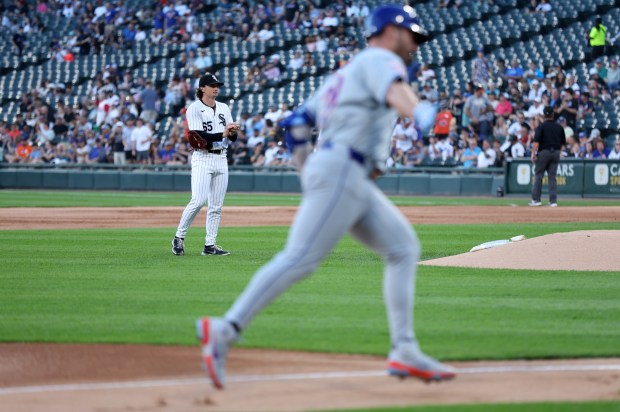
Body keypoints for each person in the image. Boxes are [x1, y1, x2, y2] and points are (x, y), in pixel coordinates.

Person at [195, 4, 456, 390]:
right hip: (342, 171)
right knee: (300, 259)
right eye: (411, 35)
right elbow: (396, 92)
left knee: (403, 248)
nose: (416, 43)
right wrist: (422, 114)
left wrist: (309, 172)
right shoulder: (380, 59)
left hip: (342, 172)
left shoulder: (347, 72)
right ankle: (226, 329)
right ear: (389, 32)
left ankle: (404, 348)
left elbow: (296, 124)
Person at [172, 73, 240, 257]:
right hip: (202, 158)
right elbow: (196, 138)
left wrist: (233, 132)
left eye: (217, 85)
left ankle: (210, 245)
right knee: (198, 200)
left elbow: (231, 137)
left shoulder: (224, 107)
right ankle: (179, 237)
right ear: (202, 88)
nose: (216, 88)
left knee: (216, 206)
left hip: (221, 158)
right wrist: (224, 134)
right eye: (212, 85)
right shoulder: (194, 108)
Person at [530, 106, 566, 207]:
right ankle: (553, 201)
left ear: (544, 115)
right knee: (552, 177)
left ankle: (536, 200)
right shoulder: (559, 127)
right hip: (555, 152)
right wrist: (559, 152)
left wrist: (533, 153)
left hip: (544, 152)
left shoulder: (541, 127)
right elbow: (562, 143)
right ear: (553, 114)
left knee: (538, 176)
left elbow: (536, 142)